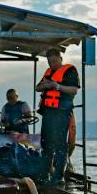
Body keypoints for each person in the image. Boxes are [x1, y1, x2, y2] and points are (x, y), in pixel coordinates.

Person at [37, 47, 80, 185]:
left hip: (62, 112)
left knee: (60, 145)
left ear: (60, 59)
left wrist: (56, 86)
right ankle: (44, 176)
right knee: (46, 145)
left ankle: (58, 177)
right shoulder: (48, 72)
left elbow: (74, 90)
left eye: (54, 61)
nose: (52, 64)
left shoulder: (69, 71)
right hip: (48, 113)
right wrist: (46, 85)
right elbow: (37, 87)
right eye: (50, 62)